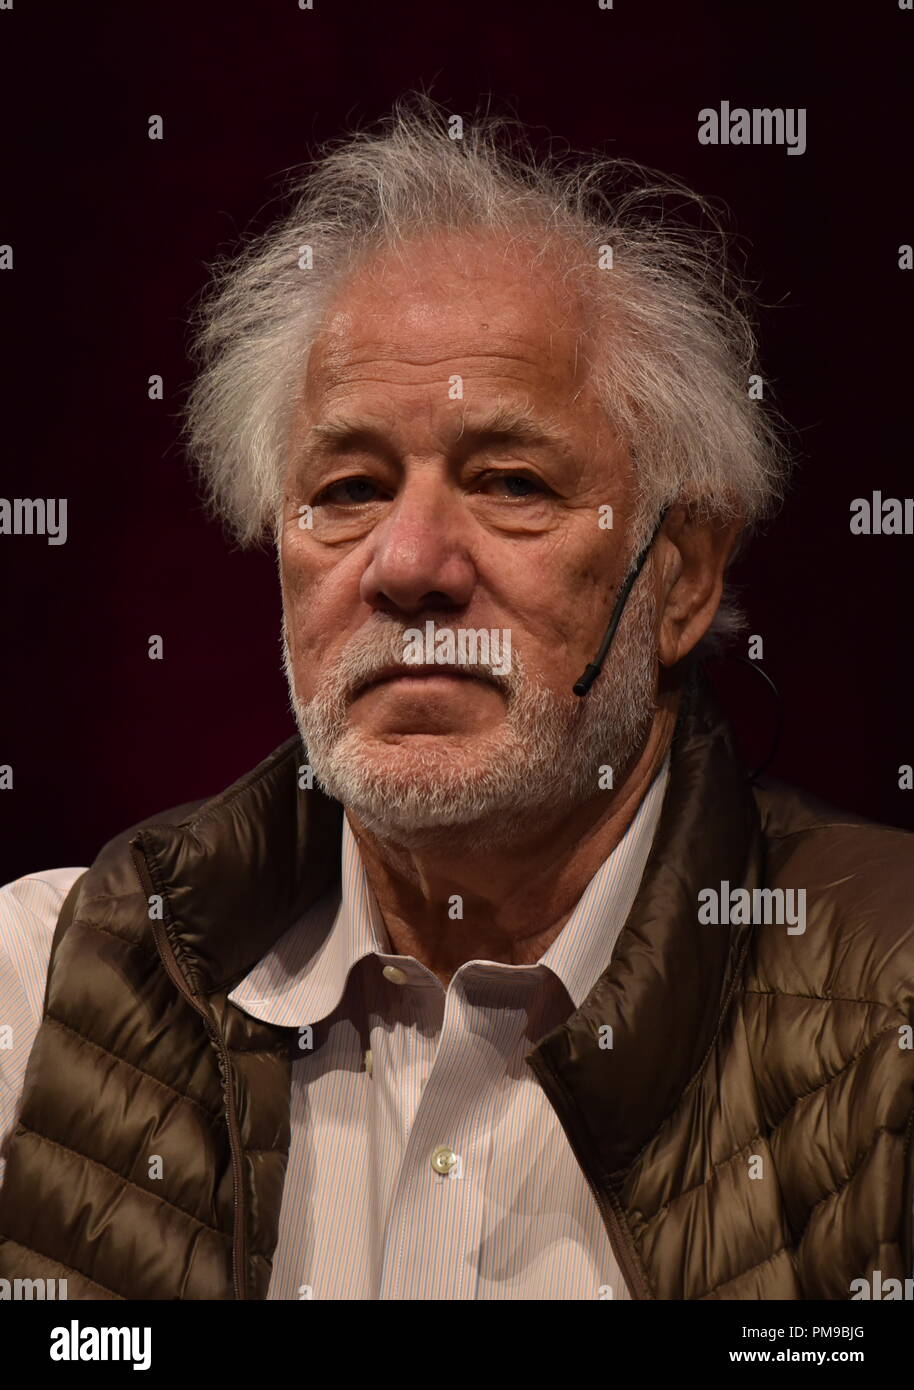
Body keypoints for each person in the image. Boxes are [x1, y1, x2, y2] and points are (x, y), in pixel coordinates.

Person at [1, 98, 911, 1301]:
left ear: (679, 574)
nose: (407, 562)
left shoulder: (886, 998)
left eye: (510, 482)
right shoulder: (50, 978)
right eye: (347, 487)